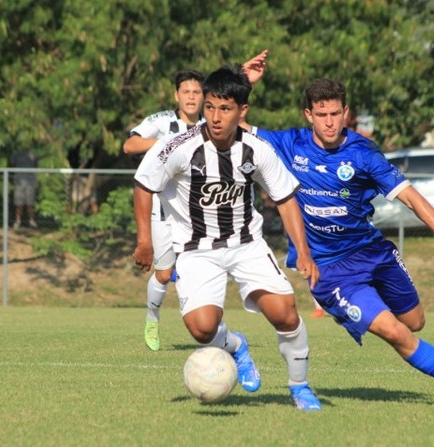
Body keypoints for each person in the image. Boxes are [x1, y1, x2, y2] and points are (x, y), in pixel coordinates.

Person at [243, 53, 434, 407]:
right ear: (309, 115)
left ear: (346, 113)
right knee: (394, 332)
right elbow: (229, 119)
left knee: (415, 322)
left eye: (336, 114)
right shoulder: (289, 144)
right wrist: (243, 80)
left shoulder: (363, 153)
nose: (330, 123)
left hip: (372, 250)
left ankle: (368, 305)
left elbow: (411, 197)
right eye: (322, 115)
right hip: (329, 269)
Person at [132, 65, 322, 411]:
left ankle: (300, 387)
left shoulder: (257, 149)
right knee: (202, 329)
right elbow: (144, 184)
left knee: (285, 314)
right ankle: (237, 346)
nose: (216, 117)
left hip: (246, 244)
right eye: (210, 107)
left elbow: (285, 198)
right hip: (195, 249)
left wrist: (304, 252)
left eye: (225, 108)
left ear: (242, 111)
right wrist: (144, 240)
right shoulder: (179, 146)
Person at [123, 69, 205, 351]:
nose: (191, 97)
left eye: (196, 92)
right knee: (163, 273)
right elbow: (129, 144)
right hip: (161, 209)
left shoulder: (210, 126)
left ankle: (206, 327)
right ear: (176, 96)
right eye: (186, 92)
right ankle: (152, 318)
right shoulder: (163, 121)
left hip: (196, 211)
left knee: (199, 268)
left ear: (203, 96)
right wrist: (166, 144)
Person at [10, 149, 38, 229]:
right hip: (19, 181)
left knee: (30, 202)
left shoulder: (33, 152)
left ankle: (32, 221)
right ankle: (18, 221)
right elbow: (12, 163)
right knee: (19, 202)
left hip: (30, 181)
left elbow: (36, 164)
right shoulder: (16, 153)